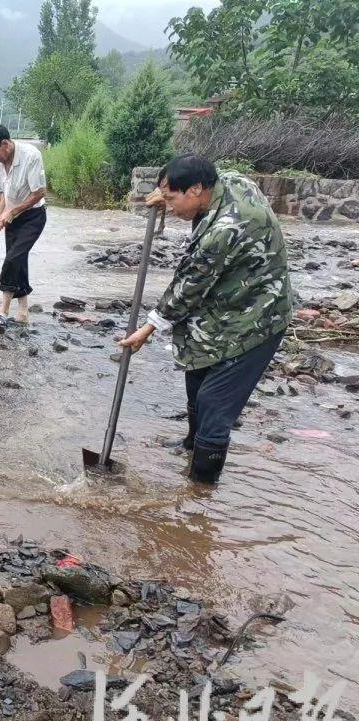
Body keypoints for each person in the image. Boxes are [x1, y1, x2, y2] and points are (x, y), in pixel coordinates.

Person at [119, 154, 292, 484]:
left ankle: (201, 487)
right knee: (196, 374)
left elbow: (188, 287)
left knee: (215, 401)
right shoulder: (231, 181)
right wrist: (164, 191)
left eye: (171, 198)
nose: (169, 206)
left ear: (196, 190)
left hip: (258, 318)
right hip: (228, 302)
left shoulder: (223, 232)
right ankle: (191, 446)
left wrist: (148, 327)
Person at [0, 125, 47, 328]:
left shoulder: (31, 156)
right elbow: (0, 193)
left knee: (13, 258)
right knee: (20, 259)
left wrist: (12, 212)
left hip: (33, 216)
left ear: (5, 144)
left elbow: (39, 192)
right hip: (11, 218)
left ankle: (3, 310)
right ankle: (24, 312)